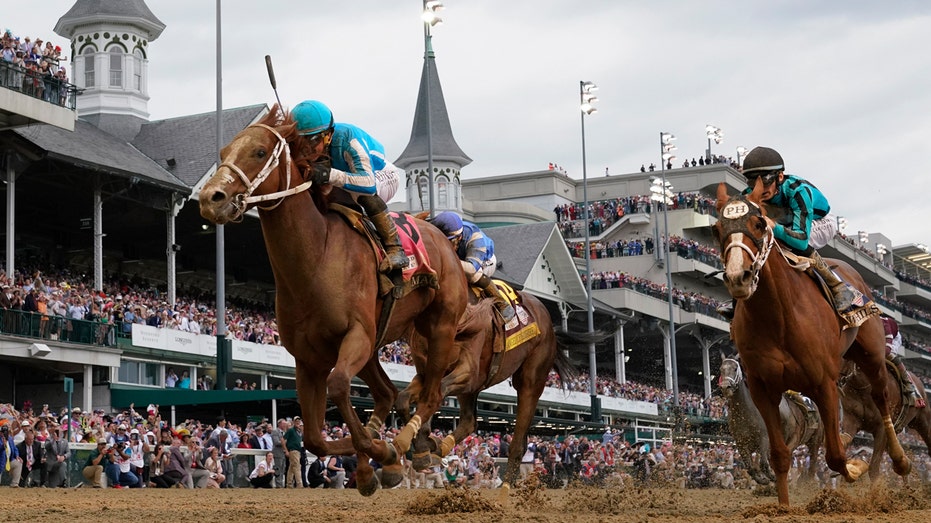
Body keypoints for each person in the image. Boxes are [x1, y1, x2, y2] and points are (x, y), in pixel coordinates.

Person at [717, 146, 856, 319]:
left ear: (780, 177)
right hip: (786, 221)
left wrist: (775, 228)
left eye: (766, 180)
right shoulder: (748, 196)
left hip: (820, 222)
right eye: (753, 182)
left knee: (790, 243)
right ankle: (737, 299)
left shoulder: (798, 191)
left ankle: (837, 286)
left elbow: (801, 240)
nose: (760, 187)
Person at [291, 100, 409, 272]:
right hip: (349, 178)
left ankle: (395, 249)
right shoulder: (314, 146)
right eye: (300, 142)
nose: (307, 149)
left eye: (313, 141)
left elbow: (368, 183)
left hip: (382, 175)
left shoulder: (348, 139)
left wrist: (329, 175)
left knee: (361, 194)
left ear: (328, 135)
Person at [431, 211, 516, 321]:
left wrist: (447, 261)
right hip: (458, 258)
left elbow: (471, 269)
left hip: (484, 261)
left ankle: (502, 304)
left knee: (473, 275)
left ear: (459, 237)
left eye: (448, 241)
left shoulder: (476, 238)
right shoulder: (436, 227)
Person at [881, 315, 924, 406]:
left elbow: (887, 350)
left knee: (889, 355)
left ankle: (909, 385)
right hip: (881, 337)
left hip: (894, 338)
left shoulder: (885, 324)